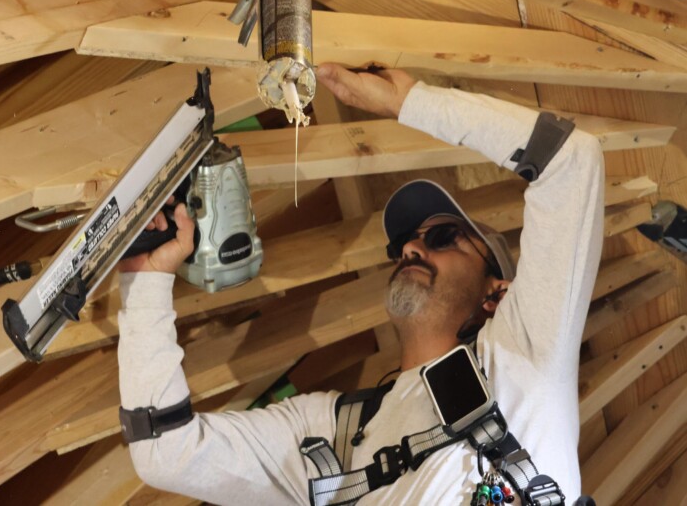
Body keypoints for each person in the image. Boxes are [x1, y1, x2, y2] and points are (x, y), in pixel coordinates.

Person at [116, 63, 604, 505]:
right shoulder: (336, 430)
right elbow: (169, 451)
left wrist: (409, 102)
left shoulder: (525, 357)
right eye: (405, 246)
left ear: (496, 293)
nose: (413, 249)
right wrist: (146, 282)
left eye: (442, 236)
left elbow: (570, 161)